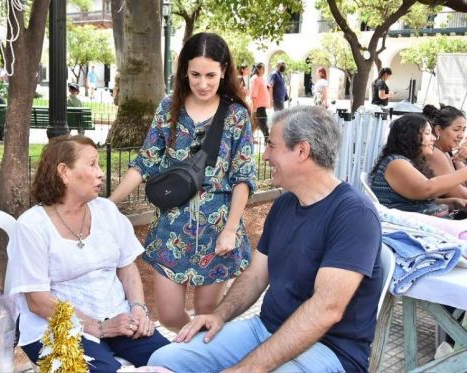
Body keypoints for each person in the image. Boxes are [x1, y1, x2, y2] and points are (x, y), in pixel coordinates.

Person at [148, 105, 383, 373]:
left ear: (302, 151)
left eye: (272, 146)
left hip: (330, 349)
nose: (266, 156)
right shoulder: (284, 204)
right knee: (164, 360)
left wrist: (246, 369)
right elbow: (256, 276)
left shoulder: (354, 214)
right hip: (266, 328)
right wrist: (219, 315)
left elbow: (325, 310)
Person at [109, 32, 257, 332]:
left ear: (224, 71)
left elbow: (243, 177)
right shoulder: (168, 109)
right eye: (195, 75)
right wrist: (109, 204)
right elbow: (145, 162)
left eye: (211, 75)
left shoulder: (236, 116)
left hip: (218, 229)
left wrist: (230, 230)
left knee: (206, 314)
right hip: (171, 228)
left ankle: (199, 361)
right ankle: (194, 351)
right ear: (184, 72)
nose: (203, 83)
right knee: (168, 315)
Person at [7, 135, 169, 372]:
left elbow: (127, 267)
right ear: (64, 172)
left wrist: (138, 309)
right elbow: (38, 302)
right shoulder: (31, 226)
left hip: (119, 318)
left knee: (177, 362)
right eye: (92, 164)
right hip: (57, 329)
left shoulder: (106, 211)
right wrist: (99, 327)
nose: (100, 172)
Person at [370, 113, 467, 217]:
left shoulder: (408, 161)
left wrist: (453, 202)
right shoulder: (395, 163)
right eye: (427, 133)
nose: (433, 138)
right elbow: (427, 188)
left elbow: (420, 201)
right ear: (411, 136)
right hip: (410, 227)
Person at [424, 104, 467, 200]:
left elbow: (464, 183)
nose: (461, 135)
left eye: (463, 130)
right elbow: (460, 195)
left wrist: (459, 159)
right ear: (439, 130)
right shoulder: (434, 153)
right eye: (456, 129)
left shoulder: (447, 151)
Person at [250, 62, 271, 138]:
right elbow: (253, 94)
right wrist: (255, 107)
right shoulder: (256, 79)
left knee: (257, 124)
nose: (264, 70)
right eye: (263, 68)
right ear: (259, 69)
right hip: (258, 107)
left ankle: (251, 138)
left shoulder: (261, 79)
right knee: (263, 124)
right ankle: (267, 139)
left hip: (262, 106)